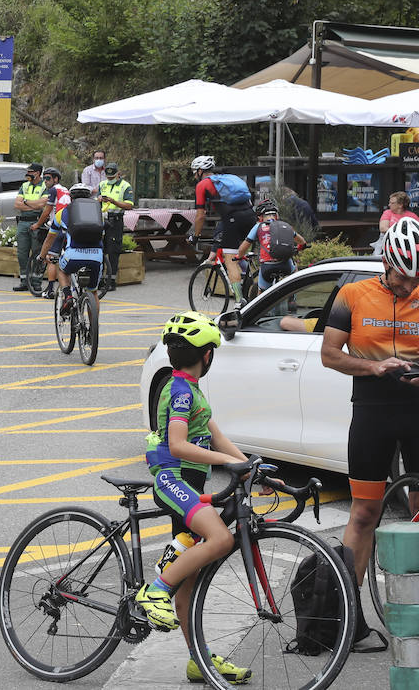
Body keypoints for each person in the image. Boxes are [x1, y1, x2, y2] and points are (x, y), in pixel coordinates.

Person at [322, 217, 419, 598]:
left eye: (418, 279)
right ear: (386, 263)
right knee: (364, 513)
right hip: (372, 410)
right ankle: (348, 612)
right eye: (404, 277)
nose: (411, 285)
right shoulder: (352, 295)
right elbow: (329, 355)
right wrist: (373, 366)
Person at [136, 311, 253, 685]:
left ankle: (196, 659)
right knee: (221, 539)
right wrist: (226, 462)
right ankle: (154, 593)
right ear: (207, 355)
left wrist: (249, 466)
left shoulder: (190, 387)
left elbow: (216, 436)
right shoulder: (182, 391)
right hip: (173, 479)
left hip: (191, 483)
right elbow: (178, 445)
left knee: (191, 577)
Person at [189, 155, 255, 306]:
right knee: (243, 253)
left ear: (200, 171)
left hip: (233, 219)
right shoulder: (229, 178)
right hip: (251, 216)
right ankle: (253, 280)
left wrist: (196, 236)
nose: (194, 176)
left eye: (194, 172)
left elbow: (200, 216)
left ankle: (239, 301)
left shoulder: (202, 185)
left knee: (230, 259)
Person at [36, 183, 104, 312]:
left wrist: (42, 256)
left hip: (73, 255)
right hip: (96, 256)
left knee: (61, 269)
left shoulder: (62, 213)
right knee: (93, 292)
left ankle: (67, 296)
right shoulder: (98, 213)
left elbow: (49, 239)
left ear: (71, 198)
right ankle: (93, 329)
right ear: (89, 197)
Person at [235, 198, 306, 294]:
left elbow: (245, 246)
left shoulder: (258, 227)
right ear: (276, 216)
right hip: (286, 265)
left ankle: (261, 303)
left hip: (267, 267)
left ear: (260, 218)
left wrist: (239, 256)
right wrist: (301, 246)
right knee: (293, 270)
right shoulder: (284, 225)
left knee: (261, 294)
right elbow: (301, 241)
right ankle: (292, 297)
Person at [34, 167, 71, 299]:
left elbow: (47, 210)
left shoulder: (53, 190)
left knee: (51, 258)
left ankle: (50, 289)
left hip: (59, 225)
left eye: (48, 178)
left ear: (56, 179)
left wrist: (38, 224)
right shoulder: (65, 189)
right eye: (44, 178)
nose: (45, 181)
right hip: (69, 225)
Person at [97, 161, 133, 291]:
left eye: (112, 177)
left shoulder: (125, 186)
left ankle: (111, 280)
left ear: (118, 174)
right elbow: (96, 201)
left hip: (116, 220)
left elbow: (129, 205)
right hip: (102, 220)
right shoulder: (102, 184)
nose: (110, 179)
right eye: (108, 177)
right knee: (100, 249)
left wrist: (114, 202)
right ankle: (99, 278)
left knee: (113, 250)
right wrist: (99, 199)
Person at [12, 163, 47, 292]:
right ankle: (24, 281)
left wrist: (25, 202)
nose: (28, 174)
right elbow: (17, 204)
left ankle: (36, 281)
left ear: (37, 173)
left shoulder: (44, 186)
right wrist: (33, 205)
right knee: (22, 253)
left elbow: (42, 204)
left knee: (37, 253)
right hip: (23, 222)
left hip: (37, 222)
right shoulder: (25, 185)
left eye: (30, 171)